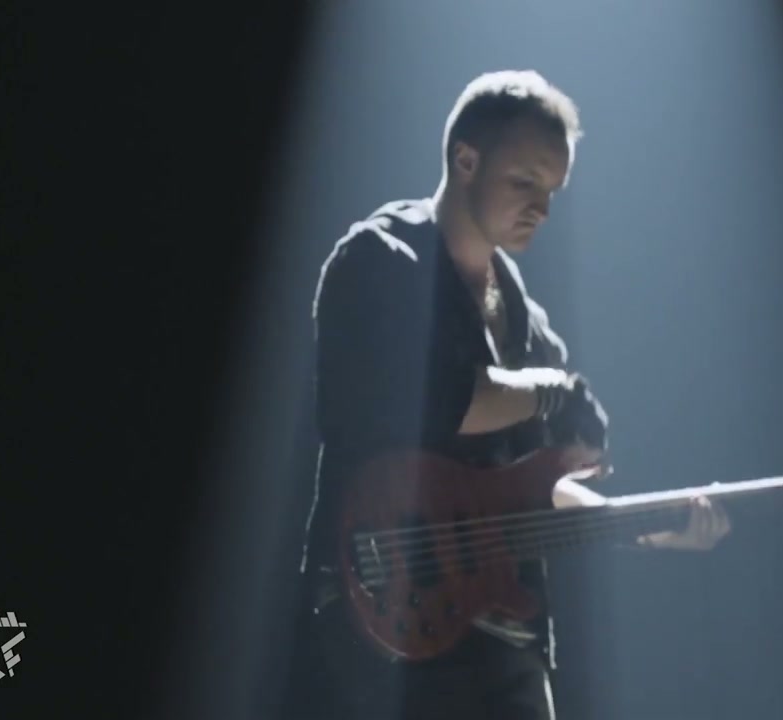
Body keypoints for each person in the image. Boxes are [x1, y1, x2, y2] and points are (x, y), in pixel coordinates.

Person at [283, 70, 731, 720]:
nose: (542, 208)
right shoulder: (379, 259)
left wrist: (640, 527)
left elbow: (536, 485)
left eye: (552, 191)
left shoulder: (529, 324)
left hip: (504, 644)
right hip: (383, 622)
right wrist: (553, 391)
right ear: (465, 160)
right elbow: (438, 402)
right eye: (525, 182)